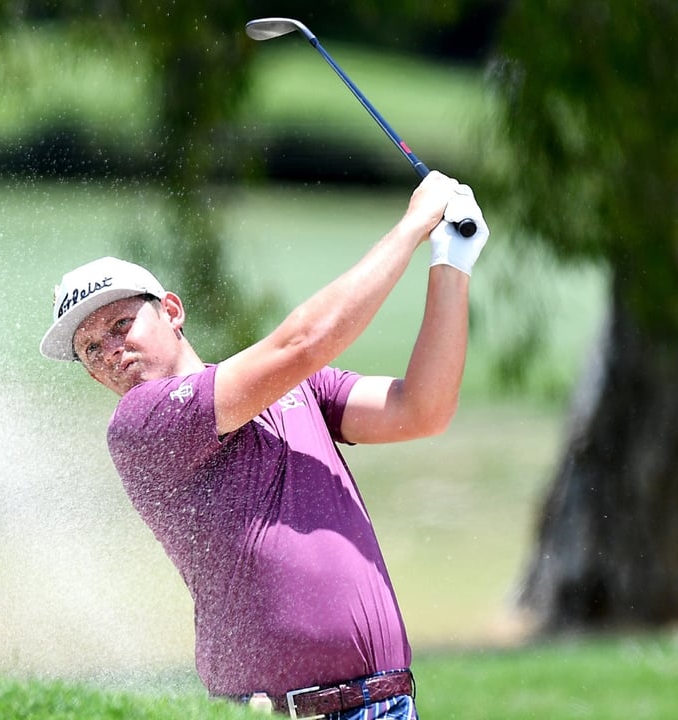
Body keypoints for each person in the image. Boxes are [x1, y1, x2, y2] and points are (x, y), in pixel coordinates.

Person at [39, 171, 488, 719]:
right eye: (90, 348)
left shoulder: (292, 388)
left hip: (384, 704)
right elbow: (303, 342)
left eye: (121, 324)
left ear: (172, 311)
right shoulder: (140, 424)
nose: (110, 349)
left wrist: (450, 263)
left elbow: (421, 409)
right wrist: (416, 222)